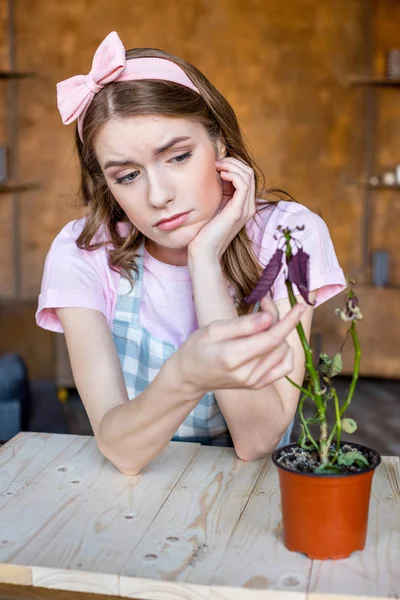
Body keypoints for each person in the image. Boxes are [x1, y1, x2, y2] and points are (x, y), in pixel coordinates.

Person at [36, 31, 346, 476]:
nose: (158, 196)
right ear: (107, 183)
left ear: (219, 143)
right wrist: (187, 374)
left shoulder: (288, 235)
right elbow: (121, 450)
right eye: (127, 176)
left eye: (178, 157)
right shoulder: (82, 252)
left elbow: (257, 440)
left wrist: (205, 261)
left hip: (252, 493)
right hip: (136, 493)